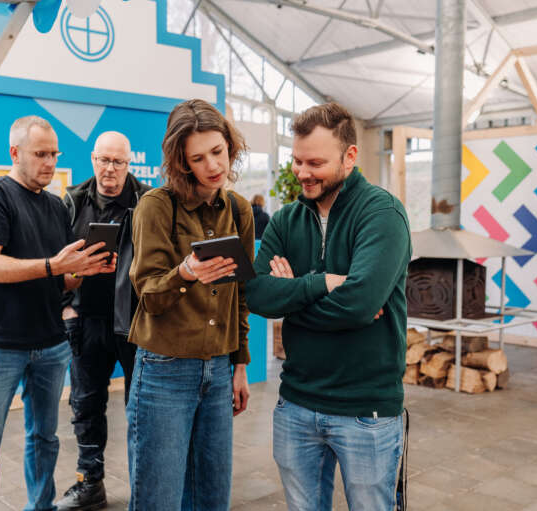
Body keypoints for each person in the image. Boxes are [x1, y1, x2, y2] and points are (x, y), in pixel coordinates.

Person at [246, 102, 411, 511]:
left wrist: (291, 298)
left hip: (366, 412)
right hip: (295, 403)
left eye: (315, 163)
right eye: (297, 161)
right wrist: (319, 284)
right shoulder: (286, 220)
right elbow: (256, 294)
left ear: (349, 156)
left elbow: (358, 305)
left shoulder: (382, 214)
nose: (302, 172)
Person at [0, 116, 116, 511]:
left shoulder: (56, 207)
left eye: (54, 154)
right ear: (15, 153)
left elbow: (62, 281)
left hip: (50, 344)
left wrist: (84, 269)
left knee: (45, 439)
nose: (50, 163)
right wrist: (54, 265)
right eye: (40, 154)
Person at [125, 98, 253, 510]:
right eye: (198, 159)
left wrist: (239, 365)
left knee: (212, 498)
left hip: (219, 369)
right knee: (157, 500)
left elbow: (240, 295)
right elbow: (148, 295)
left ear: (230, 145)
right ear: (181, 162)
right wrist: (185, 273)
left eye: (218, 151)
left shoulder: (240, 210)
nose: (213, 166)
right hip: (163, 370)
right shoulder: (156, 206)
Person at [56, 132, 151, 511]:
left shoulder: (148, 202)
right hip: (86, 321)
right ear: (93, 159)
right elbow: (56, 258)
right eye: (104, 160)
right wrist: (67, 307)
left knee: (141, 409)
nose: (110, 169)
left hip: (135, 323)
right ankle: (90, 484)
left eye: (118, 162)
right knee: (85, 405)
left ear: (129, 164)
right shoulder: (71, 202)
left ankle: (145, 488)